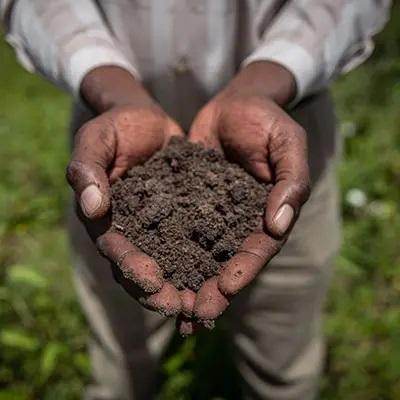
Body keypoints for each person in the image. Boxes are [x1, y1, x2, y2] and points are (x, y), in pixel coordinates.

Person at [0, 1, 391, 399]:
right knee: (120, 359)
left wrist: (264, 83)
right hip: (113, 154)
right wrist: (112, 87)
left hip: (274, 150)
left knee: (282, 366)